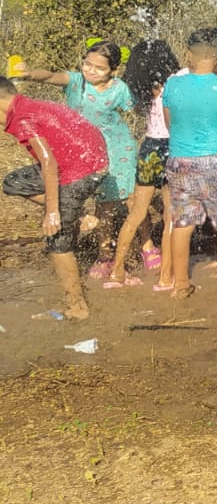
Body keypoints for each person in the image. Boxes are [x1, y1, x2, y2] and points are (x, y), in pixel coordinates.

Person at [0, 75, 108, 319]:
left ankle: (77, 308)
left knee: (56, 239)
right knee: (14, 182)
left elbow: (48, 163)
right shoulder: (29, 105)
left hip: (80, 171)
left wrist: (52, 211)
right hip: (91, 161)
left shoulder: (22, 117)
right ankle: (77, 216)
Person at [161, 29, 217, 299]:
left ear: (189, 54)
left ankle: (180, 284)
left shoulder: (173, 85)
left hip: (180, 159)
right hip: (216, 160)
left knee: (183, 223)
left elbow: (169, 123)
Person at [14, 41, 136, 242]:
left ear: (114, 70)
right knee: (74, 195)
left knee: (110, 202)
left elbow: (137, 110)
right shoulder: (76, 82)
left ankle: (107, 252)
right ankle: (77, 242)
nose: (91, 71)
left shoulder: (120, 89)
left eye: (100, 68)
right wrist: (29, 74)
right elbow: (51, 76)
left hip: (116, 148)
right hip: (81, 149)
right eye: (88, 64)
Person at [106, 40, 180, 289]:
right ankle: (166, 277)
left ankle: (116, 271)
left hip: (149, 149)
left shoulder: (138, 90)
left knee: (137, 213)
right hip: (172, 148)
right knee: (171, 214)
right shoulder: (176, 83)